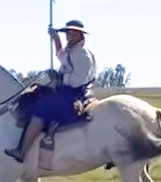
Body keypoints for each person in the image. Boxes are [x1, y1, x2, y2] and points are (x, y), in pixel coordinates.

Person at [4, 20, 97, 163]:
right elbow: (61, 56)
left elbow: (80, 79)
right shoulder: (72, 49)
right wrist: (56, 39)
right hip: (67, 89)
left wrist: (60, 79)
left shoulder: (82, 53)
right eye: (68, 33)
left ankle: (22, 151)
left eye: (73, 33)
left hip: (74, 92)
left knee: (40, 111)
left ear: (80, 34)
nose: (69, 35)